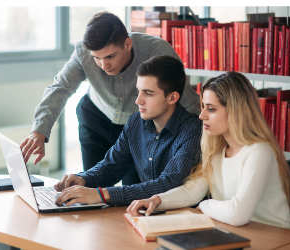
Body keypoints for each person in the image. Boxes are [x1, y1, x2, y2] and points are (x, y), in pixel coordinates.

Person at [20, 11, 200, 186]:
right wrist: (39, 131)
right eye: (96, 58)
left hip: (137, 126)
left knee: (132, 189)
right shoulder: (83, 52)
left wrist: (205, 135)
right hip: (95, 118)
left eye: (110, 56)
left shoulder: (158, 51)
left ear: (127, 44)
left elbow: (185, 97)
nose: (103, 65)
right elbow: (60, 87)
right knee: (89, 183)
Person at [126, 71, 290, 229]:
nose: (202, 115)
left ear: (236, 112)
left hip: (277, 239)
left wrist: (204, 204)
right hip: (243, 234)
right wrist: (155, 200)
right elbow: (192, 191)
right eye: (203, 106)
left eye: (211, 109)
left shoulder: (259, 152)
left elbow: (237, 215)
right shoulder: (218, 153)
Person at [53, 55, 202, 207]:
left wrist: (102, 194)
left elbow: (167, 185)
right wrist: (83, 179)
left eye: (148, 93)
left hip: (182, 217)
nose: (138, 100)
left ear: (172, 98)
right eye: (139, 92)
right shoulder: (135, 122)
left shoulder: (193, 130)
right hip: (146, 213)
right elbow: (111, 166)